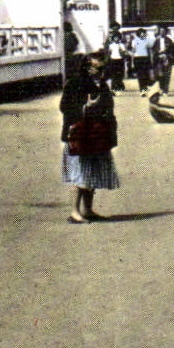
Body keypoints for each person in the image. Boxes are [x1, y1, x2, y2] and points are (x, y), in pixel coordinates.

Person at [59, 49, 119, 224]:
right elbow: (65, 107)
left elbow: (108, 108)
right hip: (80, 135)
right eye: (98, 69)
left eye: (103, 69)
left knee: (92, 173)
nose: (102, 73)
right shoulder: (75, 83)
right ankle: (75, 211)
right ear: (87, 68)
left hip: (97, 135)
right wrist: (85, 107)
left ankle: (88, 209)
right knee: (80, 174)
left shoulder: (102, 85)